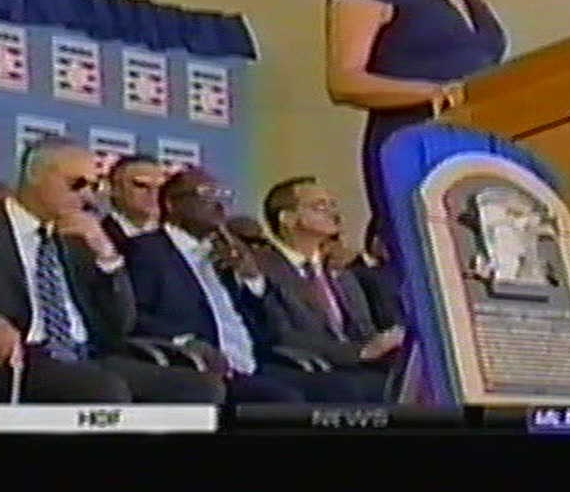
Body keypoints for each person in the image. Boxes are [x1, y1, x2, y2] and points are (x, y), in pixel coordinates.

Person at [324, 0, 509, 259]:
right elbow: (343, 80)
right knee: (428, 271)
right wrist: (433, 92)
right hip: (414, 145)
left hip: (477, 149)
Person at [0, 135, 221, 404]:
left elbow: (119, 325)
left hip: (86, 355)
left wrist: (107, 256)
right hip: (17, 357)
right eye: (77, 184)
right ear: (36, 176)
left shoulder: (77, 238)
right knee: (101, 389)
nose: (88, 197)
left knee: (200, 389)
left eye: (93, 186)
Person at [121, 168, 379, 402]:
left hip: (254, 362)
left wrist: (251, 278)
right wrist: (184, 341)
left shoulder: (227, 252)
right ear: (172, 204)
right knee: (281, 398)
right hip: (196, 363)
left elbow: (265, 322)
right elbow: (134, 315)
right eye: (207, 194)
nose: (219, 204)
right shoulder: (147, 250)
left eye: (224, 195)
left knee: (342, 389)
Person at [256, 176, 404, 400]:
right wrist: (360, 352)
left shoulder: (340, 271)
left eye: (333, 205)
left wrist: (385, 344)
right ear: (287, 218)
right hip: (308, 369)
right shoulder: (265, 268)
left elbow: (363, 327)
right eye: (320, 206)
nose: (334, 213)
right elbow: (282, 335)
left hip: (359, 365)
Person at [100, 154, 165, 250]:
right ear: (115, 189)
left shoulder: (175, 240)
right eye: (141, 185)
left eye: (160, 187)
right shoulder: (98, 237)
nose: (154, 194)